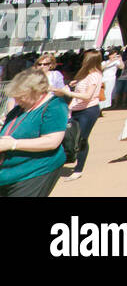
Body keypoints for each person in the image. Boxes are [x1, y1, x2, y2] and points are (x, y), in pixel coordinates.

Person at [0, 68, 68, 197]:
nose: (17, 99)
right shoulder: (20, 109)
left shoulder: (55, 106)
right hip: (9, 173)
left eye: (21, 96)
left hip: (35, 172)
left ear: (37, 91)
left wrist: (13, 144)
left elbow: (52, 141)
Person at [54, 50, 104, 181]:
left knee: (81, 139)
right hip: (77, 109)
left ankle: (78, 168)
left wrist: (69, 94)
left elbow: (88, 96)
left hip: (88, 110)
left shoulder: (94, 75)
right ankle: (70, 161)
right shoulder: (86, 75)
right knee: (70, 136)